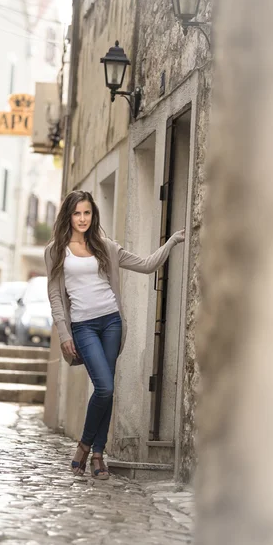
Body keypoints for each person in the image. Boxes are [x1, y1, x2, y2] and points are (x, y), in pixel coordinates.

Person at [45, 190, 185, 480]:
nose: (82, 219)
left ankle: (97, 454)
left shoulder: (106, 247)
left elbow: (146, 266)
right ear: (68, 216)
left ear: (93, 215)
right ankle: (85, 446)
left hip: (111, 322)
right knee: (105, 387)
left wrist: (171, 241)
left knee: (104, 390)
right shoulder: (56, 250)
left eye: (87, 213)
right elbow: (55, 296)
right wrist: (63, 331)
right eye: (77, 213)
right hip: (82, 326)